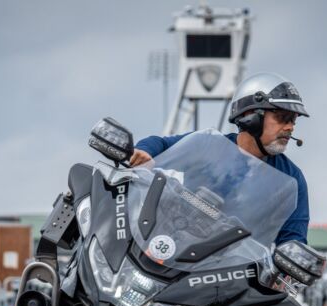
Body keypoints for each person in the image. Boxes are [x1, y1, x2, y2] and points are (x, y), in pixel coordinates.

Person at [129, 72, 310, 245]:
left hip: (233, 272)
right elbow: (161, 144)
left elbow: (293, 239)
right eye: (282, 118)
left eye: (293, 120)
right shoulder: (207, 145)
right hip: (173, 246)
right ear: (251, 115)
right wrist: (144, 153)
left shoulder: (291, 179)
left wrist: (296, 257)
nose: (290, 127)